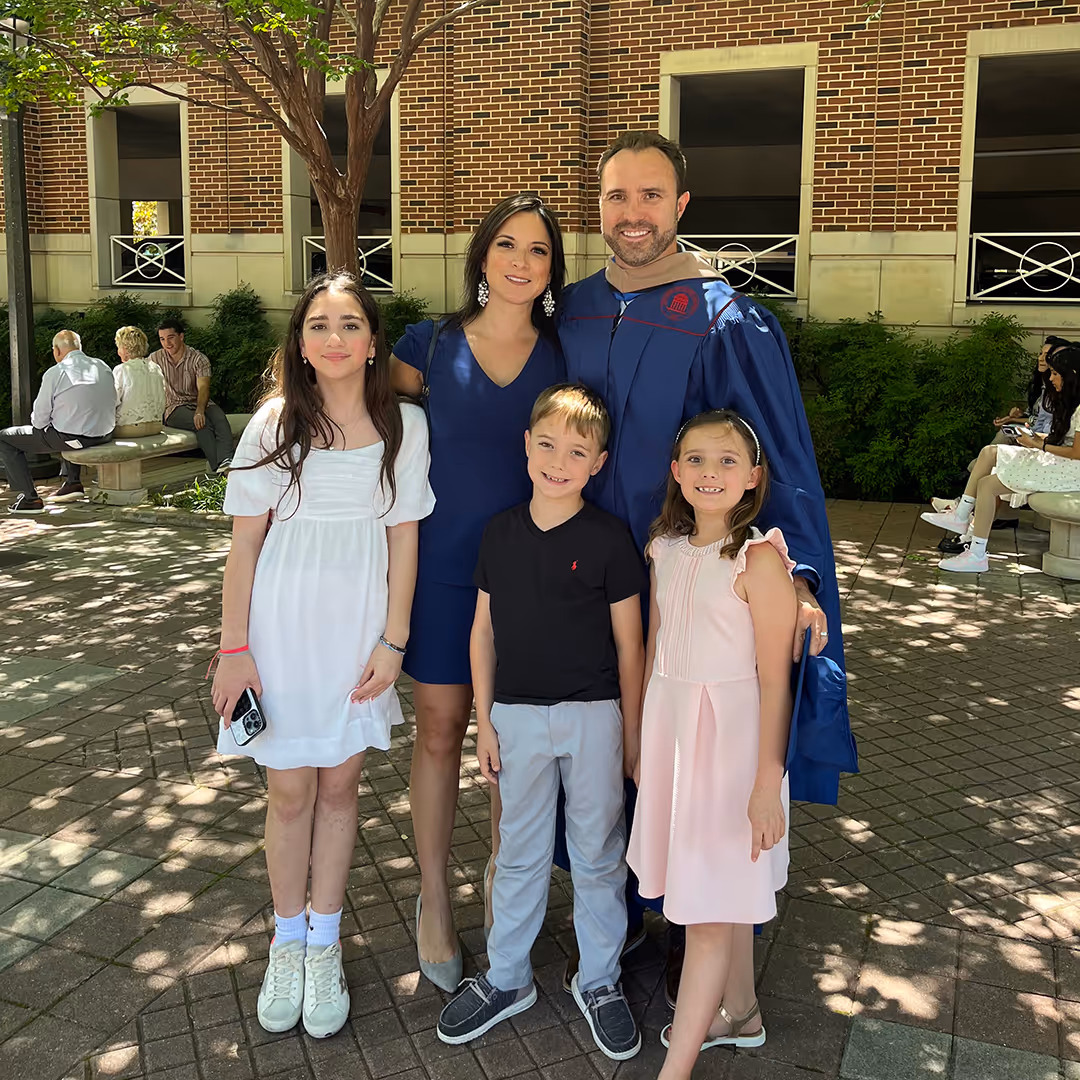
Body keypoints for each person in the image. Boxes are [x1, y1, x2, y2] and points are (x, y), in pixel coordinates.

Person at [557, 130, 854, 1003]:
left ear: (681, 207)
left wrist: (794, 574)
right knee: (612, 746)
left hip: (685, 584)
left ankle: (707, 930)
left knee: (695, 751)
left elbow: (775, 456)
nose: (632, 213)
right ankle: (637, 910)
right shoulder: (571, 306)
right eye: (616, 196)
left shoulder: (724, 316)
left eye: (650, 196)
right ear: (600, 209)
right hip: (585, 581)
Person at [210, 272, 435, 1040]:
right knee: (290, 794)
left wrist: (394, 639)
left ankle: (326, 939)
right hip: (280, 629)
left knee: (341, 790)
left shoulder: (404, 425)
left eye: (348, 324)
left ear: (374, 341)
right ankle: (286, 940)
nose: (333, 338)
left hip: (358, 633)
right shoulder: (276, 422)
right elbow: (245, 545)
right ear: (300, 343)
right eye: (318, 325)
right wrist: (234, 651)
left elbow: (405, 538)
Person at [390, 193, 566, 990]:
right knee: (438, 730)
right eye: (507, 245)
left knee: (514, 750)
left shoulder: (567, 354)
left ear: (552, 268)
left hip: (530, 580)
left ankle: (506, 880)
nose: (522, 261)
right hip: (441, 568)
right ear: (482, 256)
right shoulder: (427, 344)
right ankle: (432, 895)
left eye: (538, 250)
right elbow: (357, 428)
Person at [436, 384, 644, 1060]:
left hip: (594, 718)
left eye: (576, 451)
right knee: (519, 851)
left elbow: (630, 645)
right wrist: (485, 722)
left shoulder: (609, 538)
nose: (559, 461)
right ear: (526, 446)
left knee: (597, 854)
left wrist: (632, 733)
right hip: (516, 719)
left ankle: (601, 979)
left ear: (599, 462)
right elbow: (482, 634)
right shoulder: (499, 532)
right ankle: (507, 978)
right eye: (547, 444)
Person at [630, 409, 796, 1073]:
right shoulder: (664, 550)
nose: (710, 472)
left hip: (731, 750)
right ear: (675, 471)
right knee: (720, 890)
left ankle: (676, 1071)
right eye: (696, 459)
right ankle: (742, 1012)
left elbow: (776, 683)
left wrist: (765, 782)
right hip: (675, 736)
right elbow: (655, 652)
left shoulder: (759, 559)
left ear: (753, 476)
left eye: (728, 461)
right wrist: (640, 743)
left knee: (703, 909)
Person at [922, 345, 1080, 573]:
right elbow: (1066, 442)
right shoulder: (1070, 403)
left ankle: (970, 541)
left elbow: (1076, 453)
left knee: (989, 470)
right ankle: (969, 535)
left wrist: (1038, 444)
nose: (1052, 378)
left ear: (1072, 374)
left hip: (1070, 471)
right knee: (987, 472)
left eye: (1056, 373)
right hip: (1061, 464)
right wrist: (1035, 437)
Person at [0, 330, 115, 511]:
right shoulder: (102, 366)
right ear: (79, 347)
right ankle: (73, 482)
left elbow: (39, 419)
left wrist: (48, 422)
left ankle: (30, 499)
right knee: (67, 422)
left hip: (75, 439)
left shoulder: (56, 372)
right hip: (105, 434)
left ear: (56, 350)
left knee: (5, 438)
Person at [148, 317, 234, 472]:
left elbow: (203, 388)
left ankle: (227, 461)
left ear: (181, 336)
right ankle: (219, 469)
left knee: (220, 419)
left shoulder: (198, 359)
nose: (167, 343)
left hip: (199, 401)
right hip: (174, 407)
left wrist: (199, 411)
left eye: (171, 338)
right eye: (162, 339)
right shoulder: (155, 358)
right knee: (203, 425)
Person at [113, 326, 167, 438]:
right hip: (157, 426)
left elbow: (112, 401)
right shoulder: (155, 367)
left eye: (118, 347)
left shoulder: (122, 369)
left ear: (125, 348)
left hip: (130, 428)